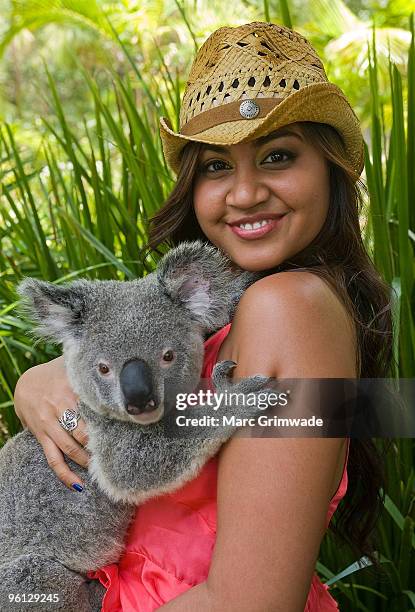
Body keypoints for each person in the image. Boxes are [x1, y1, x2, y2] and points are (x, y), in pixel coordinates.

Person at [13, 21, 393, 611]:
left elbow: (251, 602)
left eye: (278, 155)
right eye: (217, 166)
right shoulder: (229, 307)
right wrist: (39, 383)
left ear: (334, 168)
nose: (244, 193)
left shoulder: (288, 306)